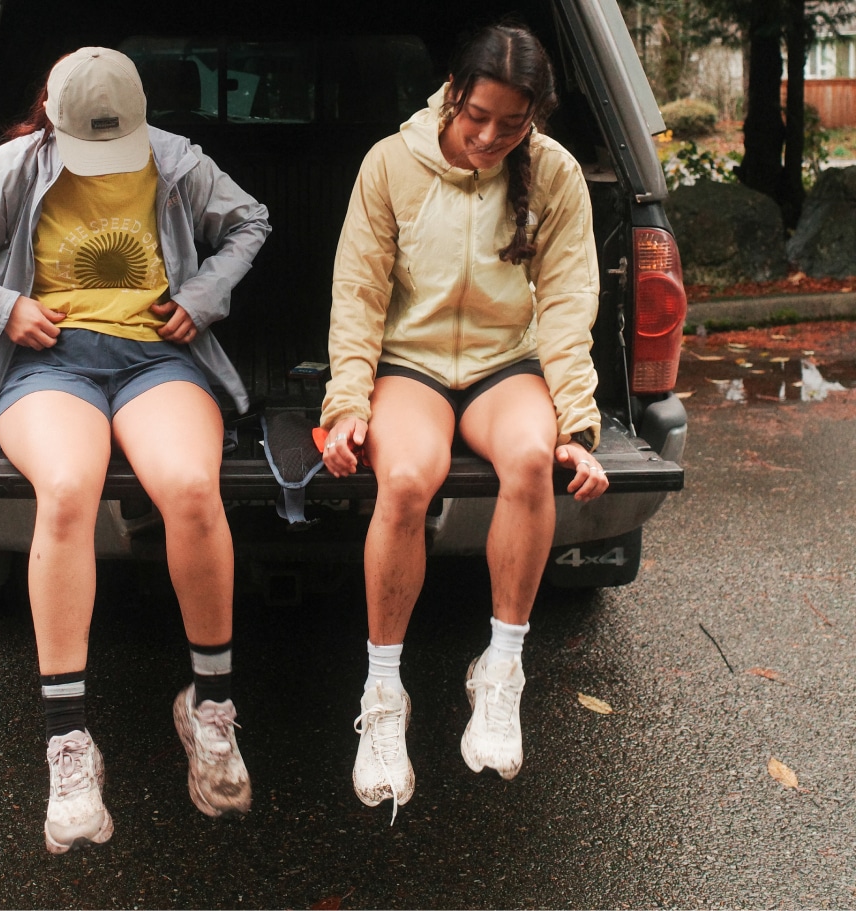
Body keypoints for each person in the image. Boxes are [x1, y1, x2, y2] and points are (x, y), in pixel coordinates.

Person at [0, 47, 270, 852]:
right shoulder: (12, 167)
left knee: (192, 490)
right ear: (53, 120)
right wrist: (0, 307)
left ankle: (211, 709)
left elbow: (250, 220)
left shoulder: (174, 161)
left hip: (155, 358)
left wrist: (202, 296)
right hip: (46, 361)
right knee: (68, 487)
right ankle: (68, 743)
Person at [318, 24, 609, 823]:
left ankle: (502, 669)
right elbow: (359, 297)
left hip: (502, 366)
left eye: (510, 125)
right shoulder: (390, 163)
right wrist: (347, 405)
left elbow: (565, 302)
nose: (488, 137)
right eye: (478, 115)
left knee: (528, 459)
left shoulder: (552, 174)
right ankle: (384, 694)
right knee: (406, 478)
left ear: (533, 119)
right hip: (409, 366)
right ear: (453, 91)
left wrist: (575, 425)